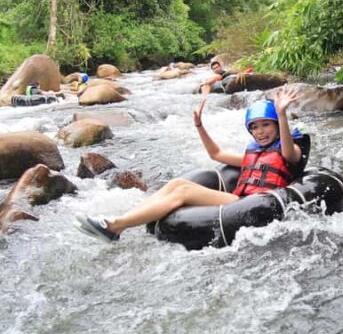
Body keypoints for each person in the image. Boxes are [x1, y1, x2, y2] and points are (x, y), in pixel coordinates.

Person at [77, 87, 306, 243]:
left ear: (276, 125)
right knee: (178, 182)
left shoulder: (289, 152)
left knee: (185, 190)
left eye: (266, 125)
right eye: (254, 127)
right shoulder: (253, 154)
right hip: (240, 200)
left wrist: (282, 113)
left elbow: (288, 150)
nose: (260, 131)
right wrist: (199, 125)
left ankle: (116, 227)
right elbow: (216, 154)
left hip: (258, 204)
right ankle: (121, 220)